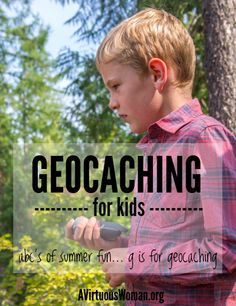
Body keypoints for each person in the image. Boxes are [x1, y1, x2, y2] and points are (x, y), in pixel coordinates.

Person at [66, 8, 236, 305]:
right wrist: (116, 243)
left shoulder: (205, 139)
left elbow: (226, 252)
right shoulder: (153, 155)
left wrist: (132, 259)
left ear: (157, 74)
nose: (111, 103)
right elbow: (168, 245)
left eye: (116, 86)